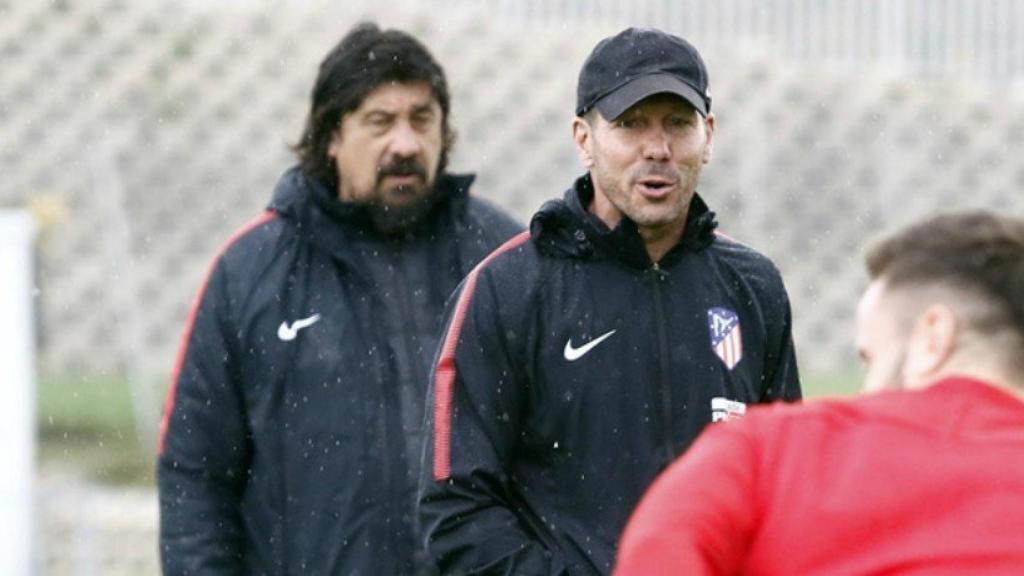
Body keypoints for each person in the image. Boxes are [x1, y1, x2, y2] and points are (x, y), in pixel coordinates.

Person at [418, 27, 801, 575]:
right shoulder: (506, 289)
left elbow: (787, 489)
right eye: (629, 125)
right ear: (583, 139)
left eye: (678, 123)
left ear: (708, 135)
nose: (657, 149)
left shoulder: (754, 286)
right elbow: (455, 508)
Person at [157, 23, 522, 575]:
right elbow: (195, 473)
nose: (405, 143)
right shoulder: (250, 273)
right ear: (331, 136)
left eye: (422, 119)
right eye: (380, 122)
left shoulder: (503, 259)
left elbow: (566, 449)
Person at [615, 211, 1024, 575]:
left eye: (871, 357)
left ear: (933, 338)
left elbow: (658, 554)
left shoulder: (766, 452)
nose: (868, 389)